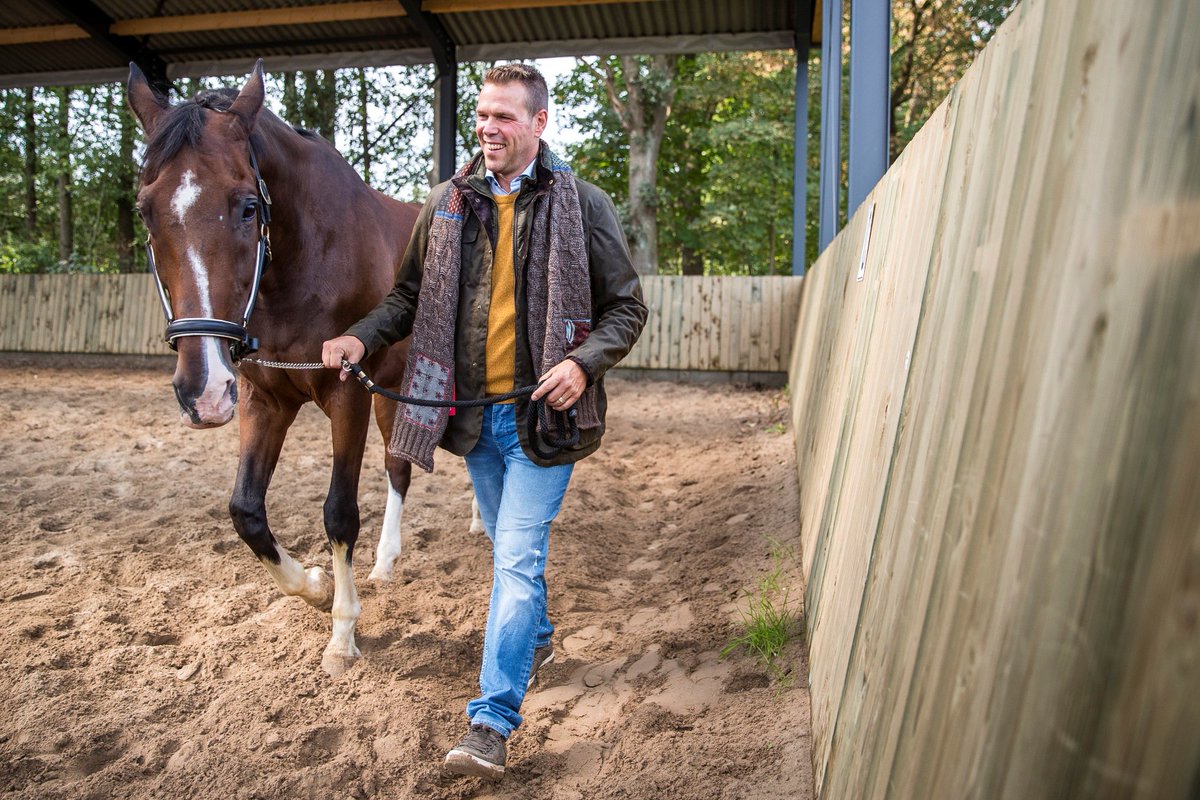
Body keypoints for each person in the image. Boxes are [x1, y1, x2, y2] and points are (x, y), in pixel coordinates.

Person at [321, 62, 646, 780]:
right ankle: (540, 637)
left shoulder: (583, 204)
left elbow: (627, 306)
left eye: (503, 116)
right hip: (472, 421)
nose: (487, 128)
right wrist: (361, 337)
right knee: (511, 553)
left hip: (545, 421)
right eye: (482, 115)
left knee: (516, 562)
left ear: (538, 123)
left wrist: (584, 363)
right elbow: (407, 298)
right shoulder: (447, 204)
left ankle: (490, 722)